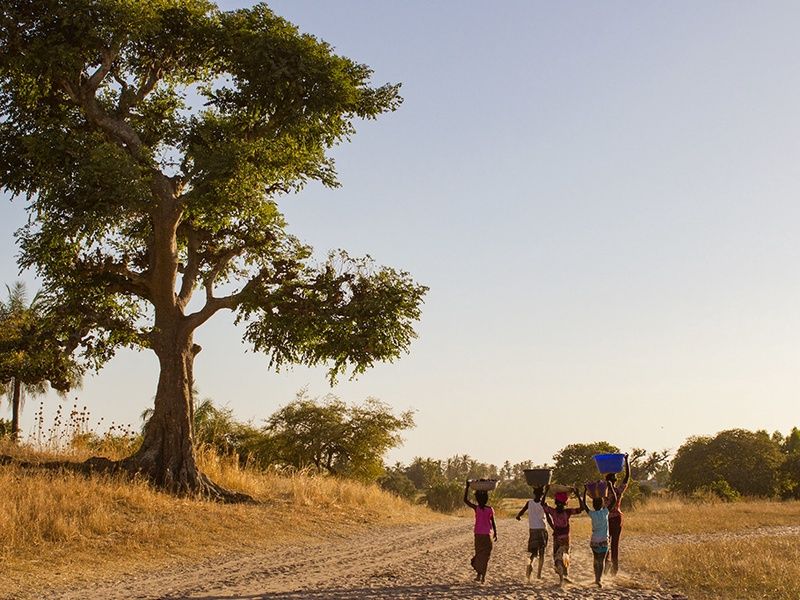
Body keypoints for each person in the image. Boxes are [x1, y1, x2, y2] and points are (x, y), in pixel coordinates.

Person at [542, 485, 582, 586]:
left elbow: (542, 504)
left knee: (557, 558)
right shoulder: (567, 512)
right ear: (565, 503)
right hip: (566, 539)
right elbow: (581, 509)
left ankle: (561, 579)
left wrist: (546, 491)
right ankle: (565, 576)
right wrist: (577, 494)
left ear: (556, 502)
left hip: (557, 539)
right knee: (565, 557)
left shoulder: (553, 511)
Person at [580, 482, 618, 587]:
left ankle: (596, 578)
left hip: (594, 541)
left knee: (596, 560)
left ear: (593, 505)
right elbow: (614, 500)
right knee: (601, 561)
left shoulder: (592, 514)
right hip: (603, 542)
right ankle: (599, 580)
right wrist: (610, 486)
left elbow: (584, 504)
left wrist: (584, 492)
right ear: (602, 504)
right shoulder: (605, 512)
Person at [463, 480, 497, 583]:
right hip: (487, 535)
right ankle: (483, 577)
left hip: (478, 534)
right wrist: (496, 533)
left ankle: (479, 575)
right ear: (486, 499)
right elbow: (493, 522)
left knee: (479, 554)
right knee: (485, 556)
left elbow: (465, 500)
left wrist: (467, 487)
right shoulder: (490, 509)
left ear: (477, 499)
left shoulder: (476, 508)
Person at [515, 485, 550, 581]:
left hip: (533, 530)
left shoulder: (529, 503)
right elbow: (548, 516)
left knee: (534, 553)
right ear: (542, 494)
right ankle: (539, 574)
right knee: (542, 553)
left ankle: (530, 564)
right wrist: (553, 527)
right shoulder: (544, 503)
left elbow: (521, 512)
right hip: (542, 529)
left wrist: (518, 516)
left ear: (534, 493)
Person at [604, 453, 630, 575]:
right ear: (614, 481)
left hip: (608, 519)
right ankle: (614, 568)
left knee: (606, 544)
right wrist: (626, 461)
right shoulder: (617, 491)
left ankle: (607, 565)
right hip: (617, 519)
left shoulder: (603, 492)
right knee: (614, 544)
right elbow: (627, 477)